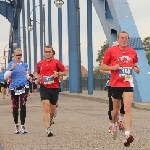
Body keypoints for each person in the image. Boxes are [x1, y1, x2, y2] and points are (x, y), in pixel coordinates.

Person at [101, 31, 140, 146]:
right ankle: (113, 124)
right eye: (122, 38)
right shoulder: (111, 51)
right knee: (115, 111)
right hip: (115, 84)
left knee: (127, 108)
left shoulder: (132, 52)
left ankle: (127, 135)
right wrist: (113, 67)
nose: (124, 40)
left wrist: (136, 68)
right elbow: (103, 66)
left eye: (126, 38)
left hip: (128, 84)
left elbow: (133, 64)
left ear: (128, 40)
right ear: (118, 40)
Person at [35, 45, 67, 137]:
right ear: (44, 53)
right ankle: (48, 129)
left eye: (49, 52)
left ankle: (51, 119)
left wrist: (58, 73)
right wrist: (37, 79)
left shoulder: (57, 62)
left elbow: (65, 71)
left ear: (52, 53)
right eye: (46, 52)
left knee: (52, 110)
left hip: (54, 87)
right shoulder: (40, 63)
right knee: (46, 108)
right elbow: (37, 72)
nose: (48, 53)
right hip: (44, 87)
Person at [4, 48, 30, 134]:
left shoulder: (25, 65)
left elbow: (26, 75)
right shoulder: (11, 64)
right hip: (14, 87)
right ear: (14, 56)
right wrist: (11, 68)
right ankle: (16, 124)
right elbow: (5, 76)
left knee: (23, 105)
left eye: (20, 55)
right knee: (15, 106)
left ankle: (23, 125)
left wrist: (30, 78)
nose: (19, 56)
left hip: (24, 86)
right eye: (17, 55)